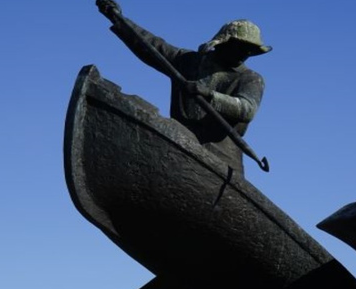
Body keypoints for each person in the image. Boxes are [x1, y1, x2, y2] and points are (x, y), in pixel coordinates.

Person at [96, 0, 271, 174]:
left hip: (222, 159)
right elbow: (150, 47)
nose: (246, 53)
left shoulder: (251, 79)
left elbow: (247, 109)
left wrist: (209, 95)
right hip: (179, 145)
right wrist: (117, 18)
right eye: (242, 47)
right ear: (225, 42)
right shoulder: (189, 61)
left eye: (250, 50)